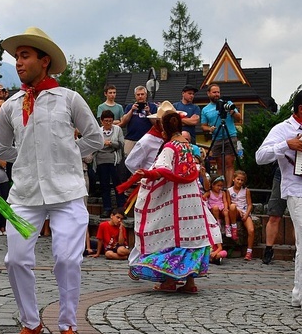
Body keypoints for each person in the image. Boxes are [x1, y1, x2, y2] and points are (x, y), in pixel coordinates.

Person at [0, 27, 103, 334]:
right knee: (15, 259)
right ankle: (31, 322)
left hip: (67, 192)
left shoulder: (69, 98)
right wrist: (28, 158)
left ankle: (68, 324)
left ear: (44, 60)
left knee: (67, 259)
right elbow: (2, 150)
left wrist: (67, 154)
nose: (18, 62)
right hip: (24, 194)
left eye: (24, 56)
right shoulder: (10, 106)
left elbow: (95, 139)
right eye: (16, 57)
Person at [127, 111, 221, 293]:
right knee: (191, 236)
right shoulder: (188, 145)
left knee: (173, 235)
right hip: (193, 197)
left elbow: (161, 170)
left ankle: (169, 281)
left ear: (165, 129)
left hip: (177, 199)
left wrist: (145, 174)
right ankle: (190, 283)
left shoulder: (170, 147)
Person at [255, 89, 302, 313]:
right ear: (301, 109)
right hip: (298, 191)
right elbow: (260, 156)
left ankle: (300, 294)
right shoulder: (283, 129)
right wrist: (286, 145)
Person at [201, 84, 242, 187]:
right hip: (217, 138)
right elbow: (203, 126)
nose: (217, 94)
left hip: (230, 136)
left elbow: (239, 118)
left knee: (229, 163)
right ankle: (219, 188)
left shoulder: (228, 103)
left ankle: (228, 188)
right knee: (219, 164)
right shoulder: (205, 110)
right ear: (208, 93)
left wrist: (232, 112)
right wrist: (210, 129)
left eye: (218, 92)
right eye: (214, 92)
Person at [93, 111, 124, 214]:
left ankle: (120, 208)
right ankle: (107, 208)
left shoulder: (117, 129)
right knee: (104, 185)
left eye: (110, 121)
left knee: (117, 184)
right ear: (101, 121)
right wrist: (102, 143)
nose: (108, 123)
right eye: (106, 121)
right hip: (101, 159)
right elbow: (94, 144)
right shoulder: (98, 131)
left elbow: (121, 144)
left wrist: (111, 143)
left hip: (114, 159)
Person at [120, 86, 158, 156]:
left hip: (147, 139)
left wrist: (148, 113)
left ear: (146, 95)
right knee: (127, 160)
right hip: (131, 138)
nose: (140, 96)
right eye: (138, 94)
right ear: (135, 96)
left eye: (142, 94)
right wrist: (132, 110)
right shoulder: (129, 107)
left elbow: (156, 124)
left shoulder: (152, 107)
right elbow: (123, 122)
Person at [228, 169, 255, 260]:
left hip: (244, 212)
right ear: (233, 179)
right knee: (232, 206)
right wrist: (237, 209)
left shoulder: (246, 191)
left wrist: (247, 214)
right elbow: (228, 204)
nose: (239, 182)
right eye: (238, 179)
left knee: (251, 230)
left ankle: (249, 251)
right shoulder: (229, 190)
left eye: (242, 180)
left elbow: (250, 204)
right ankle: (234, 226)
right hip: (235, 211)